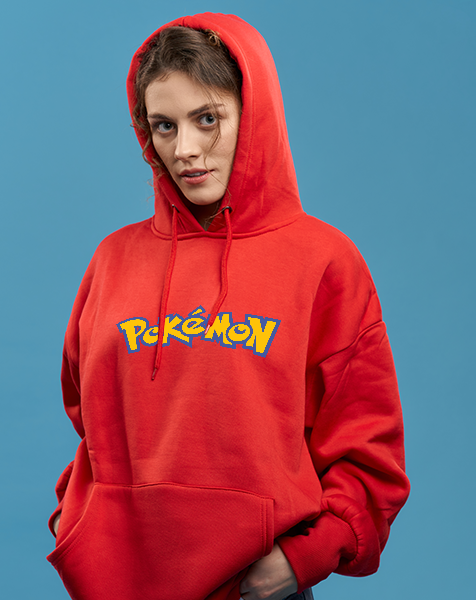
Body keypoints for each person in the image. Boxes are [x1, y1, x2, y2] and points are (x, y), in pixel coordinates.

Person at [47, 12, 410, 600]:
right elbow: (89, 418)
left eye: (207, 119)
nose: (185, 150)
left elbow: (368, 443)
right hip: (122, 583)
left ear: (253, 114)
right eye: (164, 126)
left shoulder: (324, 260)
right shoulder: (113, 259)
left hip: (254, 586)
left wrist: (302, 558)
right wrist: (78, 519)